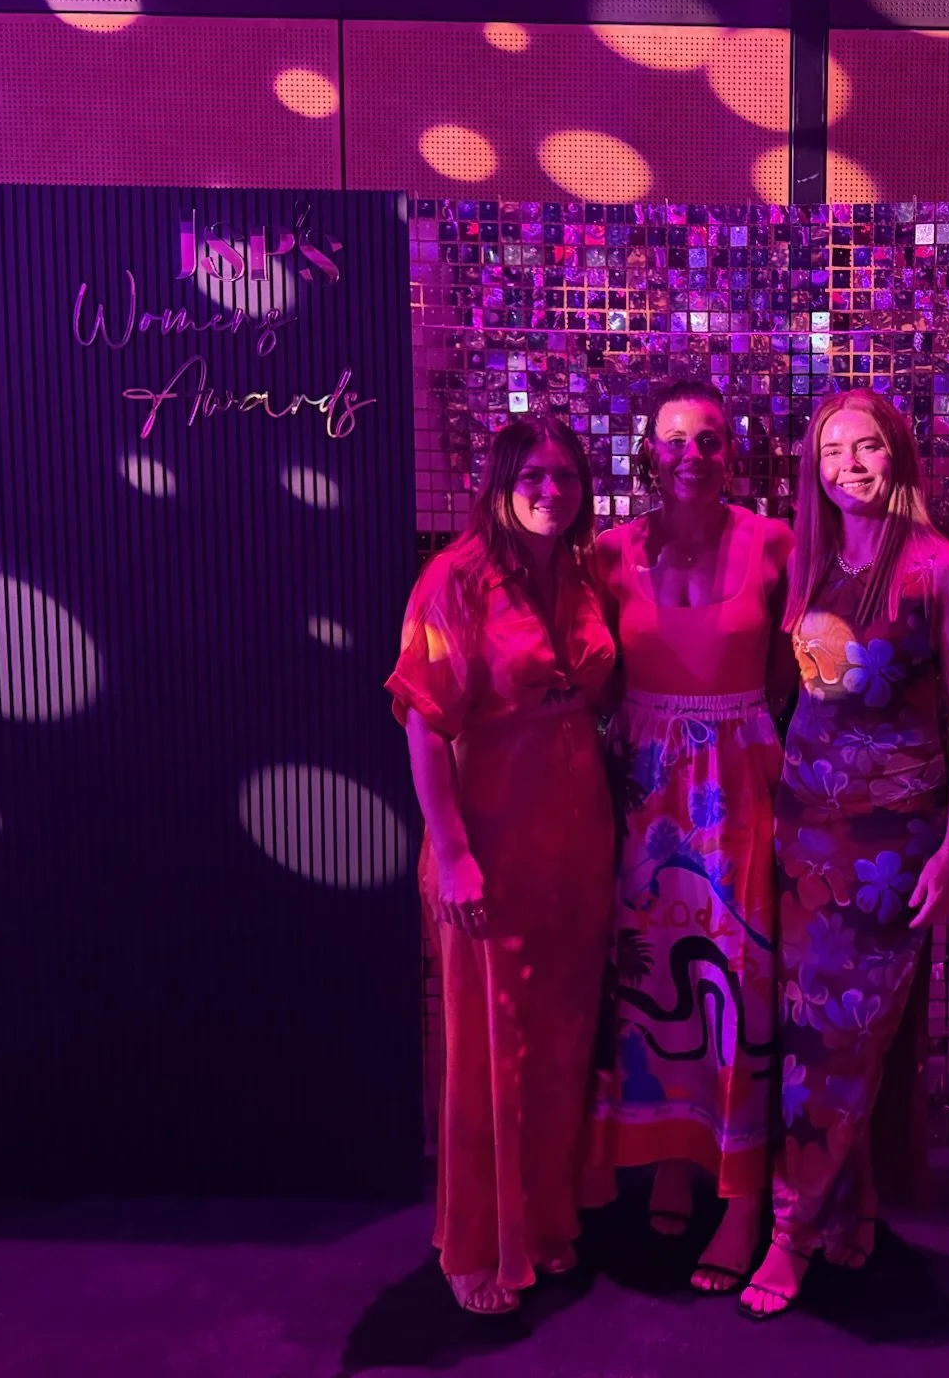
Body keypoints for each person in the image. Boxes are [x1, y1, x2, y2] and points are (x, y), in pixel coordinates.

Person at [739, 388, 949, 1320]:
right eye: (832, 451)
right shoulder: (810, 565)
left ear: (899, 456)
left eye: (868, 447)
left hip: (890, 844)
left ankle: (791, 1233)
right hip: (803, 831)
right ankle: (851, 1209)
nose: (850, 465)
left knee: (841, 1038)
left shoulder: (941, 574)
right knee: (807, 1030)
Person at [386, 417, 615, 1316]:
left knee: (561, 1039)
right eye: (532, 476)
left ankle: (547, 1221)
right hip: (489, 836)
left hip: (578, 838)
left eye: (566, 476)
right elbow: (423, 722)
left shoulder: (583, 571)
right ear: (500, 484)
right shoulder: (457, 579)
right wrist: (452, 854)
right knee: (490, 1048)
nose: (551, 490)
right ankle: (479, 1242)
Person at [585, 379, 796, 1295]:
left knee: (739, 976)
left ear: (730, 453)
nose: (691, 455)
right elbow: (592, 671)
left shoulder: (774, 541)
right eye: (674, 439)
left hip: (738, 778)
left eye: (708, 439)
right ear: (648, 451)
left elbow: (793, 668)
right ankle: (674, 1154)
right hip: (642, 785)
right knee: (650, 976)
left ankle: (743, 1193)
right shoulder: (608, 553)